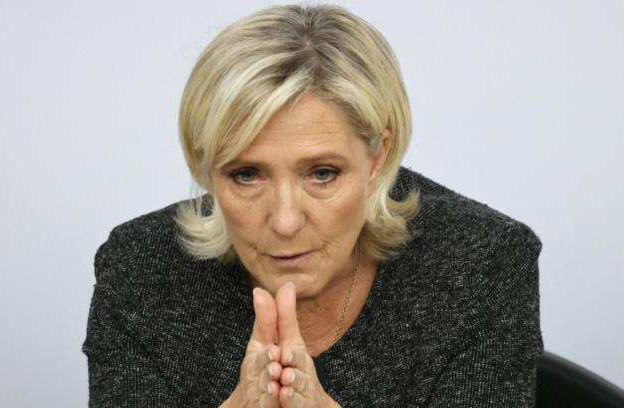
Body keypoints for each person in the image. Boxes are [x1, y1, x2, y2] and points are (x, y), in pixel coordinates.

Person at [82, 4, 543, 407]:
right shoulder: (140, 268)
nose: (285, 221)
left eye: (322, 173)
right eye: (246, 174)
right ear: (206, 167)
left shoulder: (483, 262)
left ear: (378, 158)